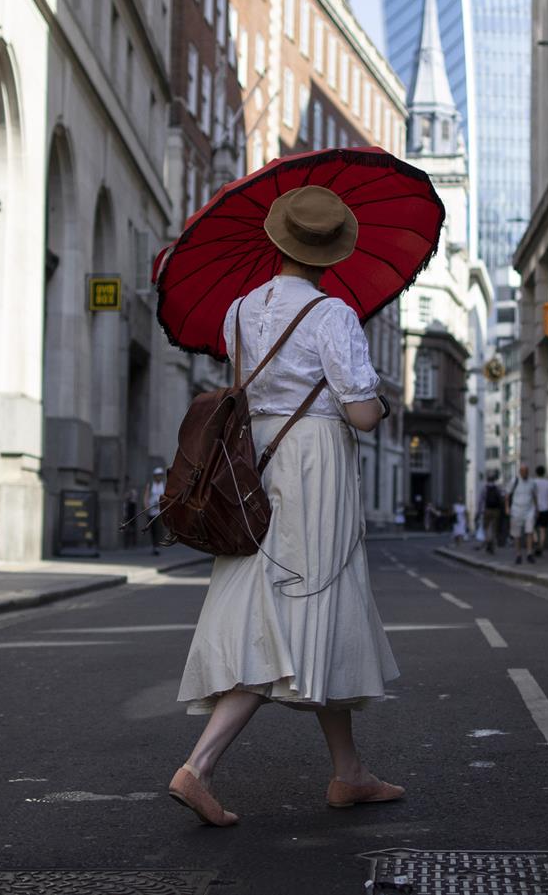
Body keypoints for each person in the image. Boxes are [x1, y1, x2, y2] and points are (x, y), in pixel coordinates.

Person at [169, 186, 402, 827]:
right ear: (333, 255)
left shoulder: (240, 309)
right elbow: (360, 414)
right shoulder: (333, 315)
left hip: (254, 461)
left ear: (276, 242)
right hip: (312, 463)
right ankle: (199, 767)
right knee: (298, 608)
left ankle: (348, 772)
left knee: (294, 606)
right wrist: (376, 400)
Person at [507, 462, 538, 565]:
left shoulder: (532, 482)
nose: (525, 473)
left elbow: (534, 496)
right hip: (516, 510)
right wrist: (507, 507)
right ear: (520, 472)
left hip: (529, 510)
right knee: (517, 534)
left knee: (529, 531)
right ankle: (518, 554)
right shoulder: (514, 481)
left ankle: (529, 553)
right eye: (523, 471)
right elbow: (507, 495)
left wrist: (537, 508)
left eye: (526, 471)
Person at [531, 464, 548, 557]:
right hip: (546, 509)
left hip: (534, 509)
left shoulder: (533, 482)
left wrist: (535, 507)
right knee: (543, 530)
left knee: (532, 527)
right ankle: (541, 546)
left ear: (536, 472)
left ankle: (536, 541)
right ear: (544, 473)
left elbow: (533, 496)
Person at [480, 471, 505, 553]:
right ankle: (492, 545)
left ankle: (488, 541)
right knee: (494, 529)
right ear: (494, 480)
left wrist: (479, 510)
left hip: (487, 510)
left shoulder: (484, 488)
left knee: (486, 527)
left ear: (487, 479)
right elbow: (502, 497)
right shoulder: (498, 488)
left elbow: (481, 501)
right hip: (496, 510)